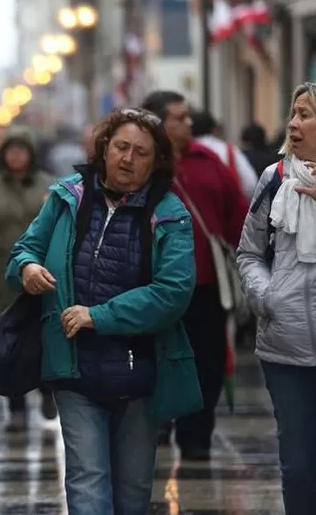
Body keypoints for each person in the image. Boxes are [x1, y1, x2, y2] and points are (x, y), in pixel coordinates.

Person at [7, 108, 202, 514]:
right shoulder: (67, 197)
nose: (128, 158)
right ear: (104, 148)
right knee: (87, 478)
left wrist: (99, 315)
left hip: (141, 369)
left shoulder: (170, 214)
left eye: (141, 152)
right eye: (121, 147)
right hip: (73, 363)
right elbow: (25, 249)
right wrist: (27, 268)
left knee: (132, 491)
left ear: (157, 161)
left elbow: (173, 292)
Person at [141, 91, 249, 461]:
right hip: (152, 285)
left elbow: (238, 214)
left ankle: (196, 433)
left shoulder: (209, 160)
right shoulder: (139, 165)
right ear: (157, 121)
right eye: (179, 117)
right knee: (154, 357)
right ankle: (154, 424)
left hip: (205, 283)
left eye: (188, 117)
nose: (189, 123)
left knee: (208, 358)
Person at [237, 82, 316, 515]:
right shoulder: (275, 178)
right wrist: (267, 298)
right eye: (293, 113)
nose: (292, 123)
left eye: (305, 114)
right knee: (299, 466)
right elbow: (249, 252)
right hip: (286, 349)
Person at [0, 127, 57, 429]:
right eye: (11, 149)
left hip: (43, 276)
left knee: (43, 337)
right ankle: (16, 404)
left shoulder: (51, 186)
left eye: (23, 149)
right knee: (8, 342)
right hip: (1, 277)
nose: (17, 155)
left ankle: (47, 391)